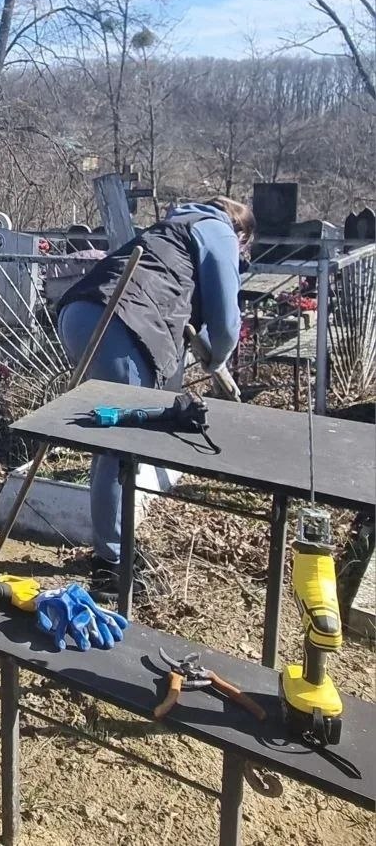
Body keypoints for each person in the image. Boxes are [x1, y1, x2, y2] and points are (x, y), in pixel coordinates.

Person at [56, 196, 254, 602]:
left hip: (80, 311)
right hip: (122, 324)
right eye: (245, 246)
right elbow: (227, 324)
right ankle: (112, 565)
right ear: (242, 232)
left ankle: (112, 548)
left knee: (115, 439)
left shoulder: (171, 229)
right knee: (121, 445)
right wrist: (217, 357)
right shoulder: (217, 230)